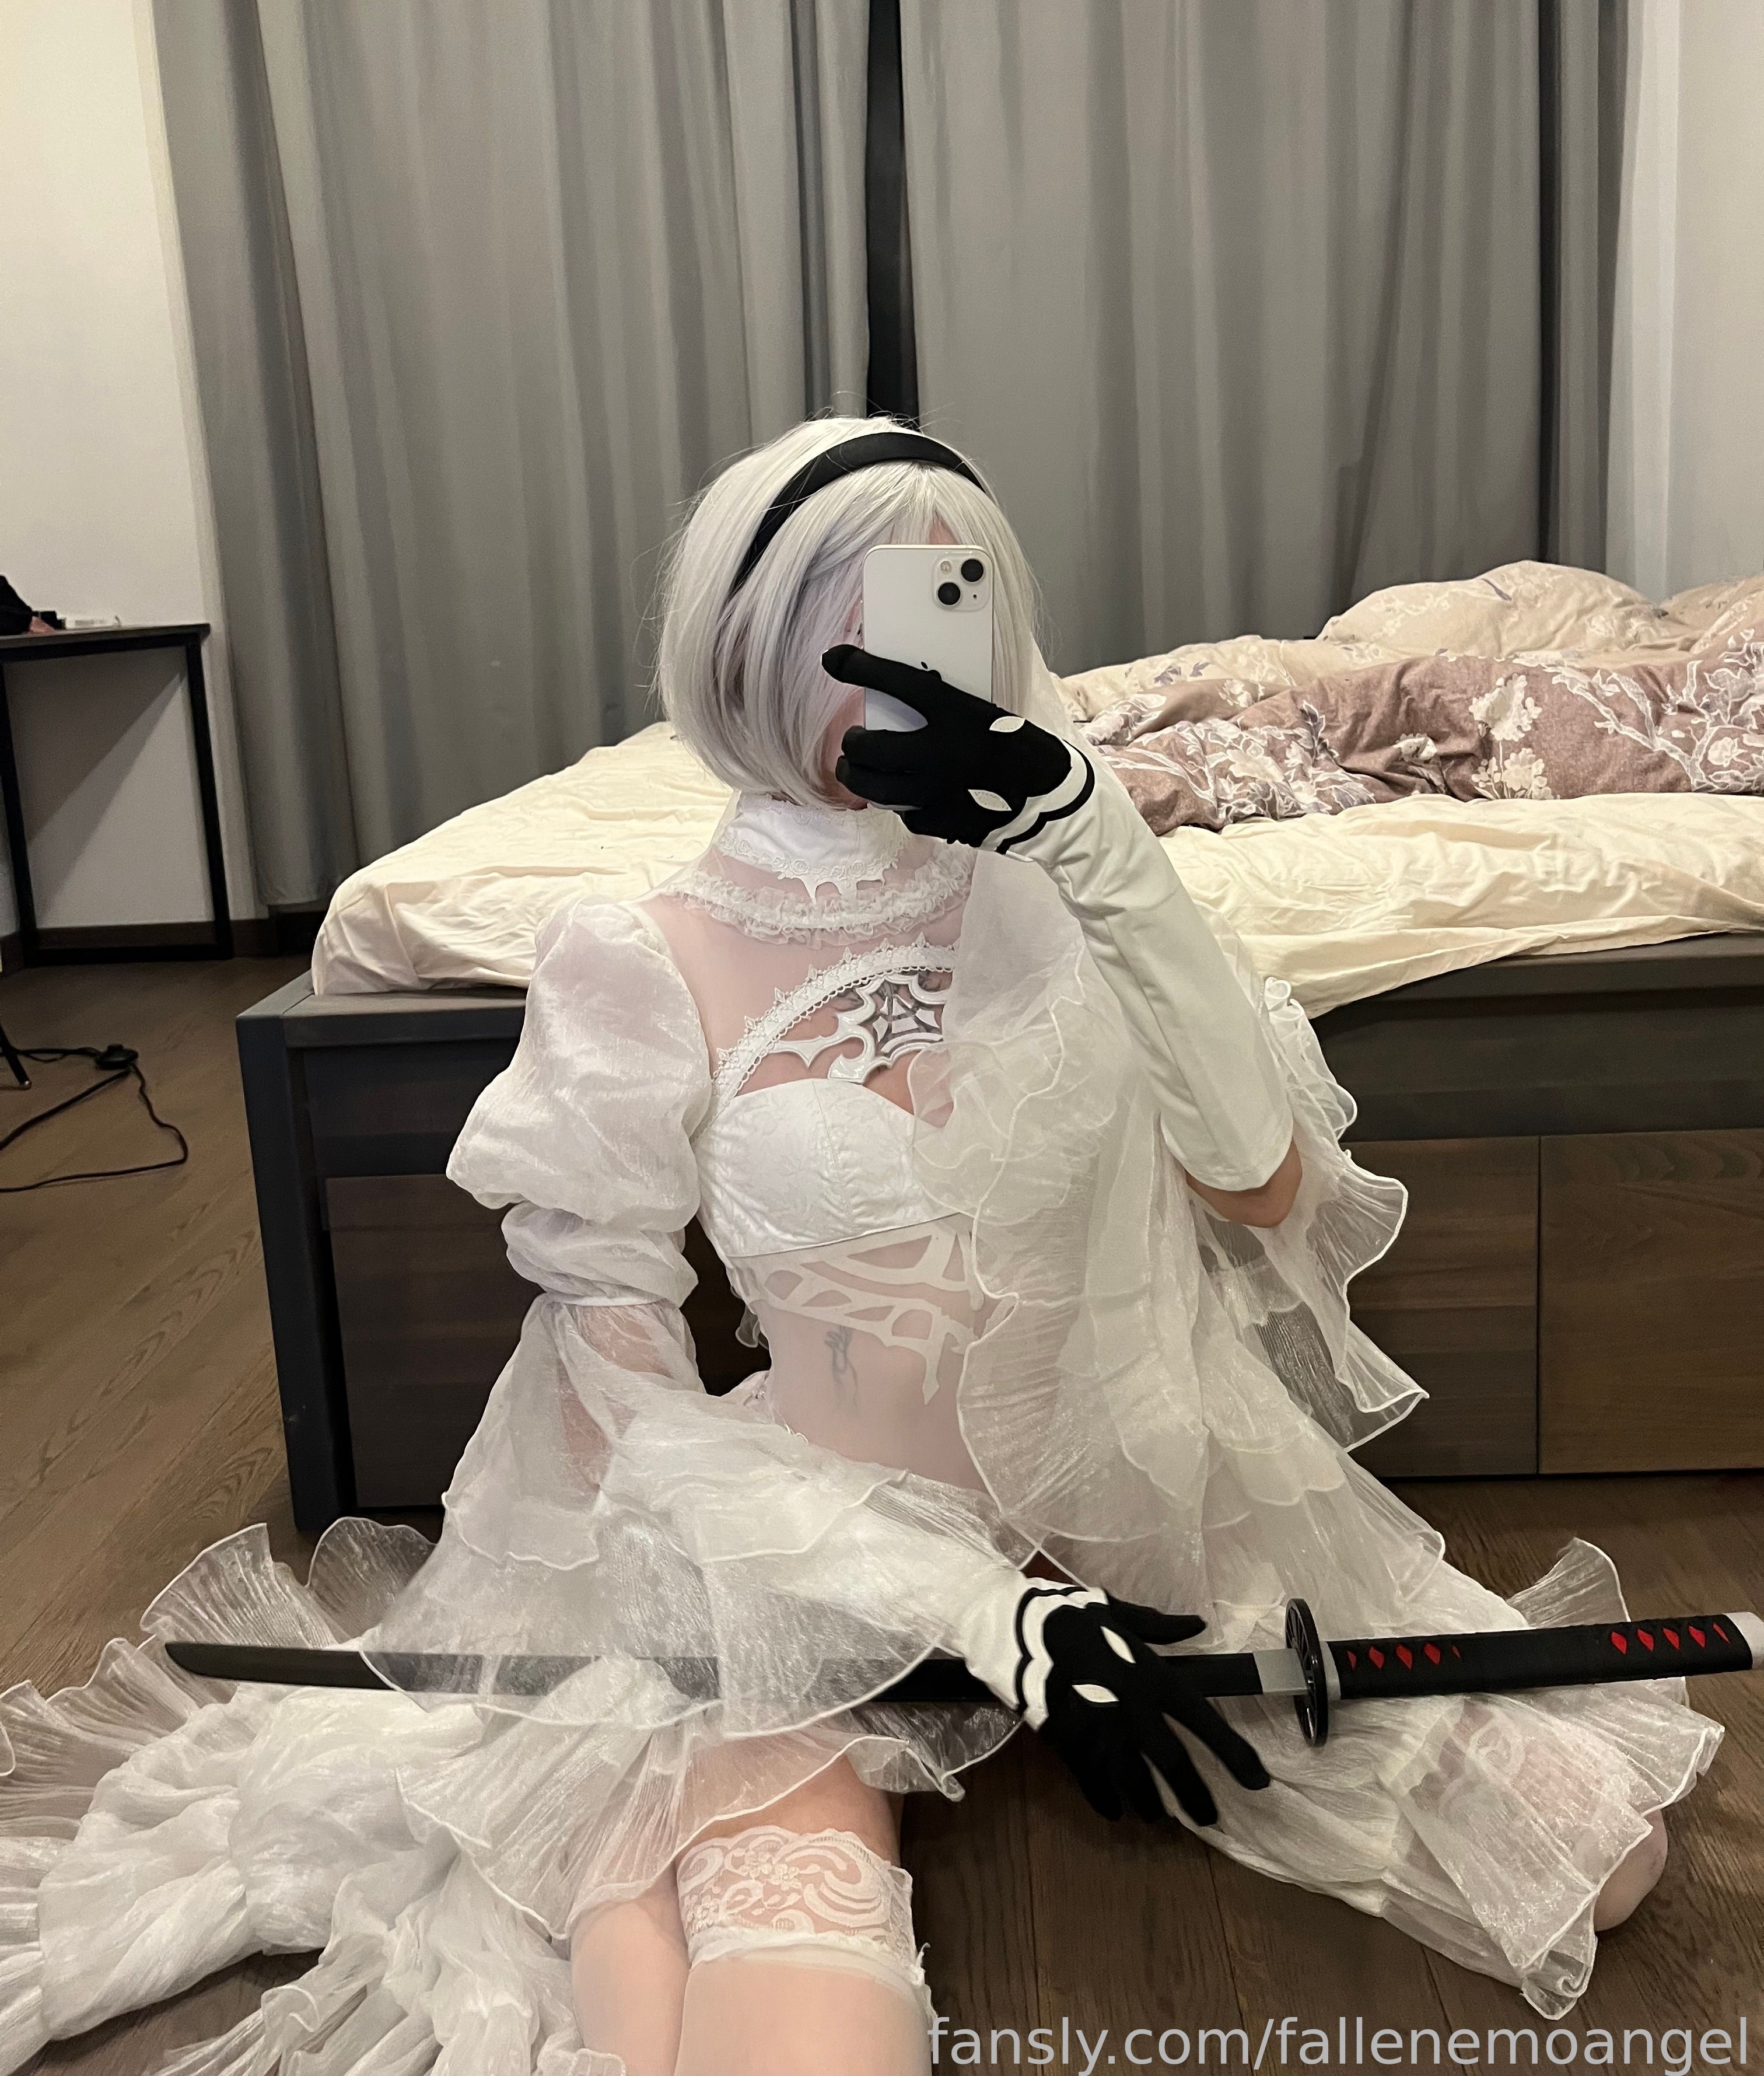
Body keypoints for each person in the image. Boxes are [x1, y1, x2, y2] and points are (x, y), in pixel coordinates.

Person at [0, 419, 1714, 2076]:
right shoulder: (643, 951)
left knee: (1603, 1860)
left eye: (944, 615)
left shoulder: (1071, 892)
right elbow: (620, 1403)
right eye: (849, 627)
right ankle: (636, 1863)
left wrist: (1101, 846)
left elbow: (1264, 1189)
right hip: (805, 1563)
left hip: (1135, 1511)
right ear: (745, 640)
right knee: (798, 2042)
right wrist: (985, 1615)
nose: (903, 677)